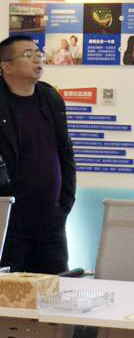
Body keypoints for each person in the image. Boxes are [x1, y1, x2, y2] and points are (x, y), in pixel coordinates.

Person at [0, 35, 75, 273]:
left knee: (56, 285)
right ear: (6, 66)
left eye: (38, 53)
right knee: (10, 290)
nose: (37, 59)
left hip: (50, 218)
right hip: (10, 221)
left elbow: (65, 152)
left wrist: (65, 203)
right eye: (28, 55)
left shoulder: (50, 97)